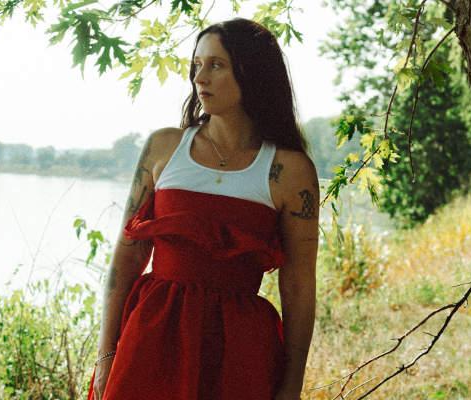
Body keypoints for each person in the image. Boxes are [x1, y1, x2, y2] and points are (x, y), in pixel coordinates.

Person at [88, 17, 319, 400]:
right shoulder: (164, 148)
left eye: (216, 65)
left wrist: (292, 381)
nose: (200, 77)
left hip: (238, 349)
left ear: (251, 72)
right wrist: (106, 353)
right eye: (196, 65)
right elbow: (127, 258)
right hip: (151, 336)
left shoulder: (290, 171)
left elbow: (298, 283)